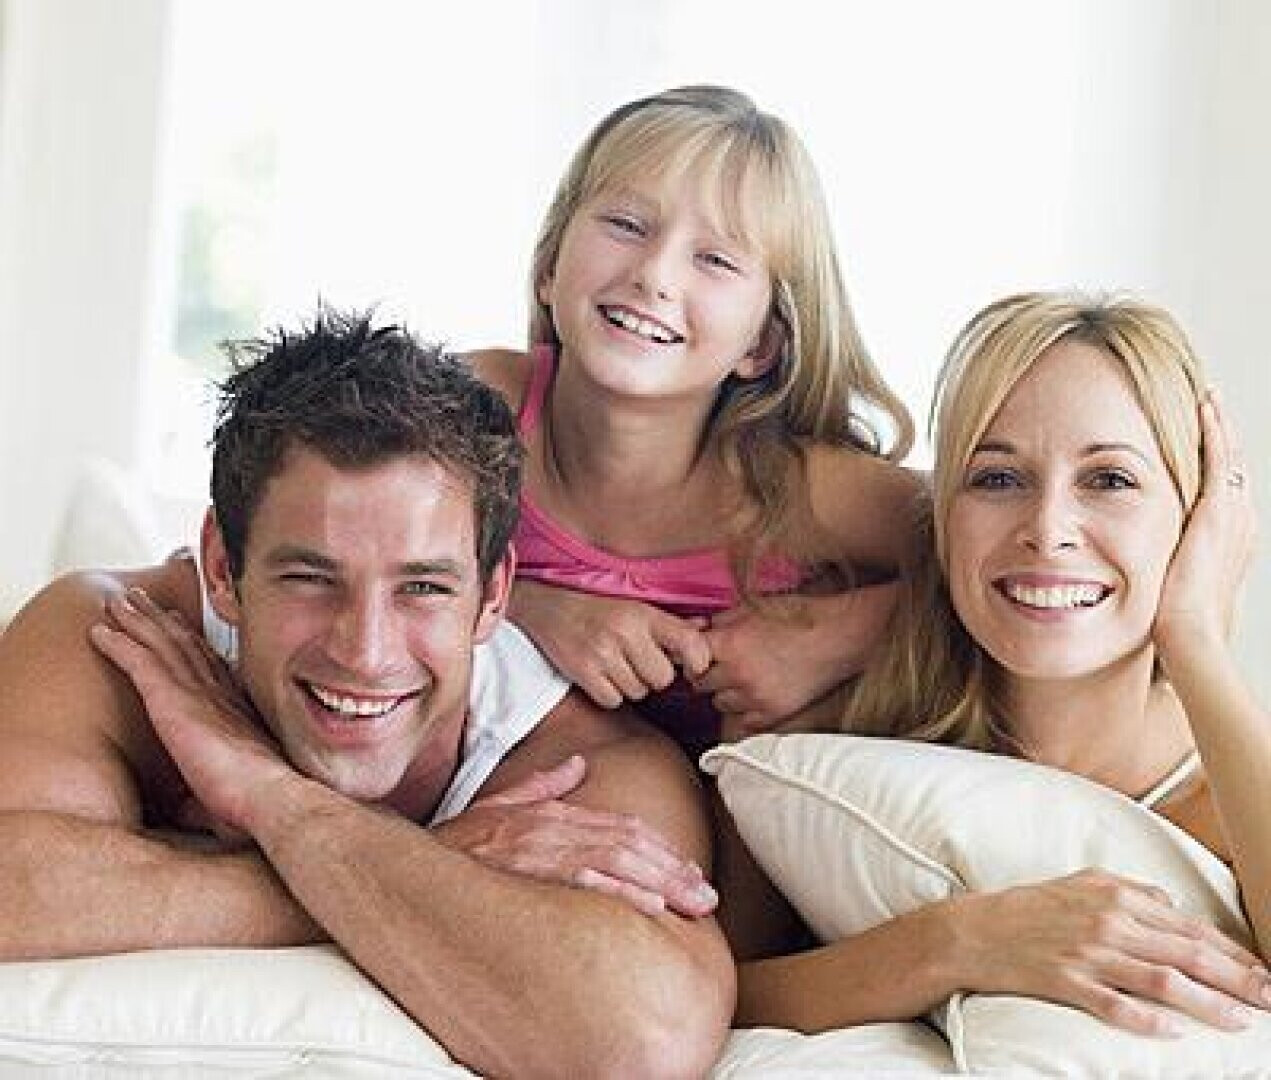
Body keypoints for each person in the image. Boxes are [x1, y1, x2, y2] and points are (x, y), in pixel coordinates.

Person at [0, 309, 734, 1080]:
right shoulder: (126, 637)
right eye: (310, 579)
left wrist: (276, 801)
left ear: (492, 595)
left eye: (422, 588)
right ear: (222, 568)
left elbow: (641, 1039)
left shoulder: (576, 760)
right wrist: (433, 863)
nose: (365, 652)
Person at [720, 291, 1270, 1038]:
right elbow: (722, 998)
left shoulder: (1230, 784)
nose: (1047, 529)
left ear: (1197, 518)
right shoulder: (825, 751)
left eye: (1109, 479)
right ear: (944, 518)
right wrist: (958, 942)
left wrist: (1196, 636)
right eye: (997, 479)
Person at [471, 85, 924, 756]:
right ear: (549, 267)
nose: (655, 275)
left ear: (761, 343)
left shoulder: (793, 489)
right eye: (626, 224)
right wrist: (527, 608)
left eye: (714, 260)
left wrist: (830, 640)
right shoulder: (473, 412)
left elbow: (999, 555)